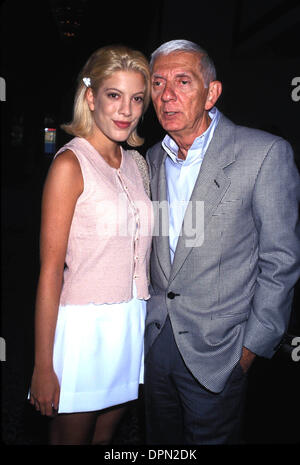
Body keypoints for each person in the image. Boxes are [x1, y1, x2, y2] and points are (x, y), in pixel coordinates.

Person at [144, 39, 300, 444]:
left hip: (222, 351)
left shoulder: (264, 153)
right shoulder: (153, 159)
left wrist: (250, 350)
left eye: (183, 81)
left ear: (212, 92)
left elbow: (280, 261)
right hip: (157, 342)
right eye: (157, 83)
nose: (167, 95)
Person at [29, 45, 153, 445]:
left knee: (105, 438)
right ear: (90, 97)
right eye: (113, 95)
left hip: (129, 323)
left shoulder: (137, 163)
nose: (126, 110)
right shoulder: (70, 164)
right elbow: (49, 272)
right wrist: (43, 365)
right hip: (85, 327)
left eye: (136, 98)